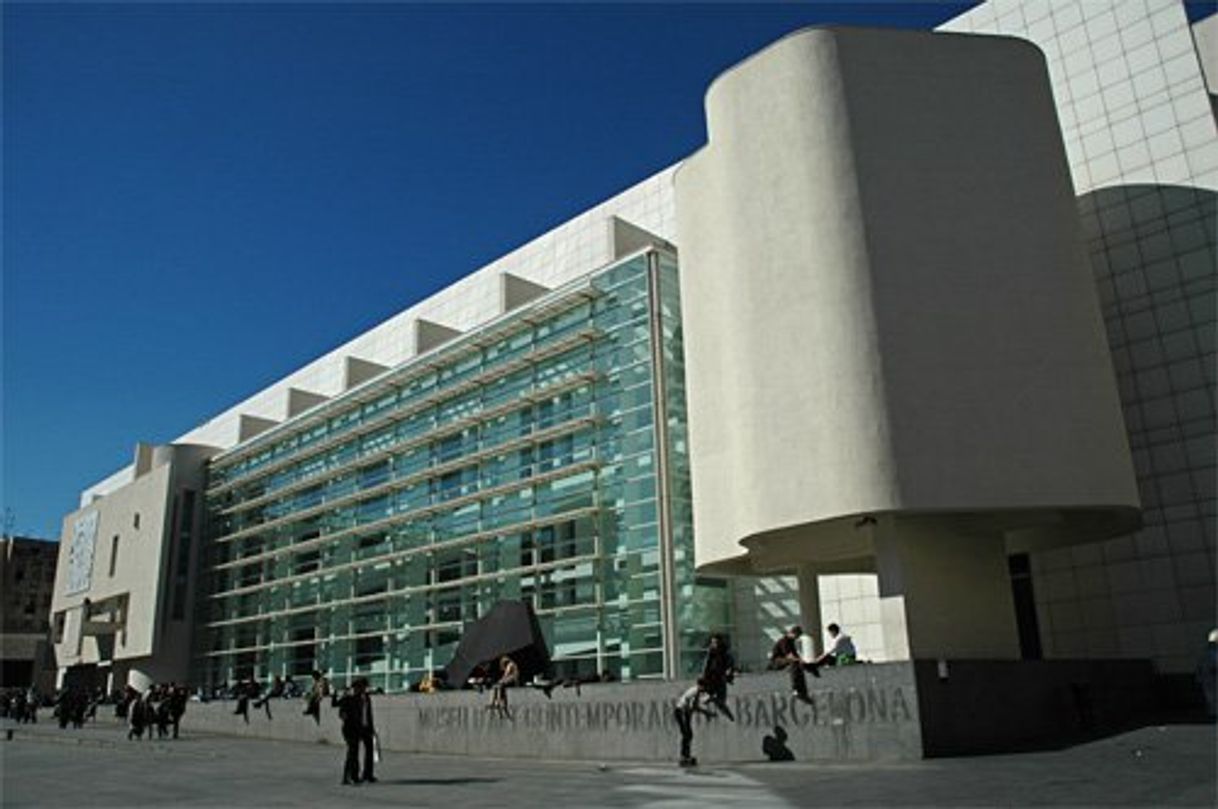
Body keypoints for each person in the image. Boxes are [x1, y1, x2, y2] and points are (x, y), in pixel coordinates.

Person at [334, 678, 377, 785]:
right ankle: (349, 777)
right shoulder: (349, 698)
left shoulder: (366, 698)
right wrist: (344, 716)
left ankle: (367, 774)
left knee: (370, 750)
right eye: (361, 687)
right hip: (351, 729)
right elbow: (340, 710)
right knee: (353, 753)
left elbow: (368, 714)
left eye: (364, 687)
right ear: (356, 687)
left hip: (365, 728)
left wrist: (371, 728)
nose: (363, 689)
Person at [672, 678, 716, 767]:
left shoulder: (697, 692)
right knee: (686, 734)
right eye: (704, 687)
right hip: (681, 711)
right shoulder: (694, 692)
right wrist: (707, 713)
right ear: (701, 686)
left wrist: (707, 712)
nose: (704, 690)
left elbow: (695, 706)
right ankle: (683, 756)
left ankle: (686, 755)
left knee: (689, 734)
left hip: (685, 712)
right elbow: (693, 706)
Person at [769, 626, 816, 699]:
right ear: (792, 633)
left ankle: (801, 689)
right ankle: (795, 688)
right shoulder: (784, 641)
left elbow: (795, 655)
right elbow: (789, 656)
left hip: (784, 660)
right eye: (797, 636)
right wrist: (799, 660)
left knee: (798, 664)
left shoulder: (791, 642)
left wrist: (803, 663)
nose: (797, 638)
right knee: (794, 663)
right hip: (776, 661)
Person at [701, 634, 736, 721]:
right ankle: (710, 697)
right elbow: (706, 667)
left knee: (721, 702)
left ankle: (730, 717)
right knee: (712, 699)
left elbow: (731, 666)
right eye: (712, 643)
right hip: (713, 679)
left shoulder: (725, 653)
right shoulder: (711, 653)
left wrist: (729, 675)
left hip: (720, 679)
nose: (714, 645)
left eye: (715, 642)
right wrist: (704, 678)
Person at [1197, 628, 1217, 719]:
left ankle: (1213, 713)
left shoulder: (1206, 654)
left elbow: (1200, 668)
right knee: (1212, 697)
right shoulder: (1212, 654)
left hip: (1208, 679)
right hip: (1211, 679)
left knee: (1211, 697)